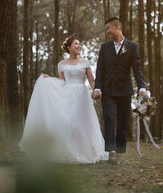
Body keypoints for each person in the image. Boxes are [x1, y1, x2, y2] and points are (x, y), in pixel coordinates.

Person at [19, 36, 109, 164]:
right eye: (76, 44)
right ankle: (70, 150)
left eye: (80, 44)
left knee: (82, 122)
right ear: (69, 47)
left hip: (82, 95)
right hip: (67, 94)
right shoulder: (61, 64)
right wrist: (49, 79)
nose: (79, 46)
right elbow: (62, 82)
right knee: (68, 121)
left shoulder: (85, 62)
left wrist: (97, 90)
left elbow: (92, 81)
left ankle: (84, 150)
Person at [93, 17, 147, 164]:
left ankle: (120, 151)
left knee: (123, 122)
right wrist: (97, 87)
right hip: (108, 89)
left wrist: (142, 86)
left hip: (125, 89)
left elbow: (137, 68)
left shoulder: (132, 46)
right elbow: (100, 69)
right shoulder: (104, 47)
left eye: (108, 28)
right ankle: (111, 152)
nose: (107, 32)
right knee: (109, 117)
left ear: (117, 27)